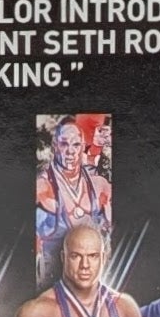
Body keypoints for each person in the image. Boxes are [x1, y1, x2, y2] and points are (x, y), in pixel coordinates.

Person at [8, 222, 146, 317]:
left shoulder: (125, 307)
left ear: (103, 258)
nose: (84, 265)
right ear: (63, 258)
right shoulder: (37, 312)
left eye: (92, 256)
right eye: (76, 256)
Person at [35, 118, 112, 281]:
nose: (70, 151)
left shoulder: (99, 186)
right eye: (64, 144)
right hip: (53, 281)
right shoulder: (42, 187)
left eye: (76, 144)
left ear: (82, 147)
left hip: (93, 281)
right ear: (55, 146)